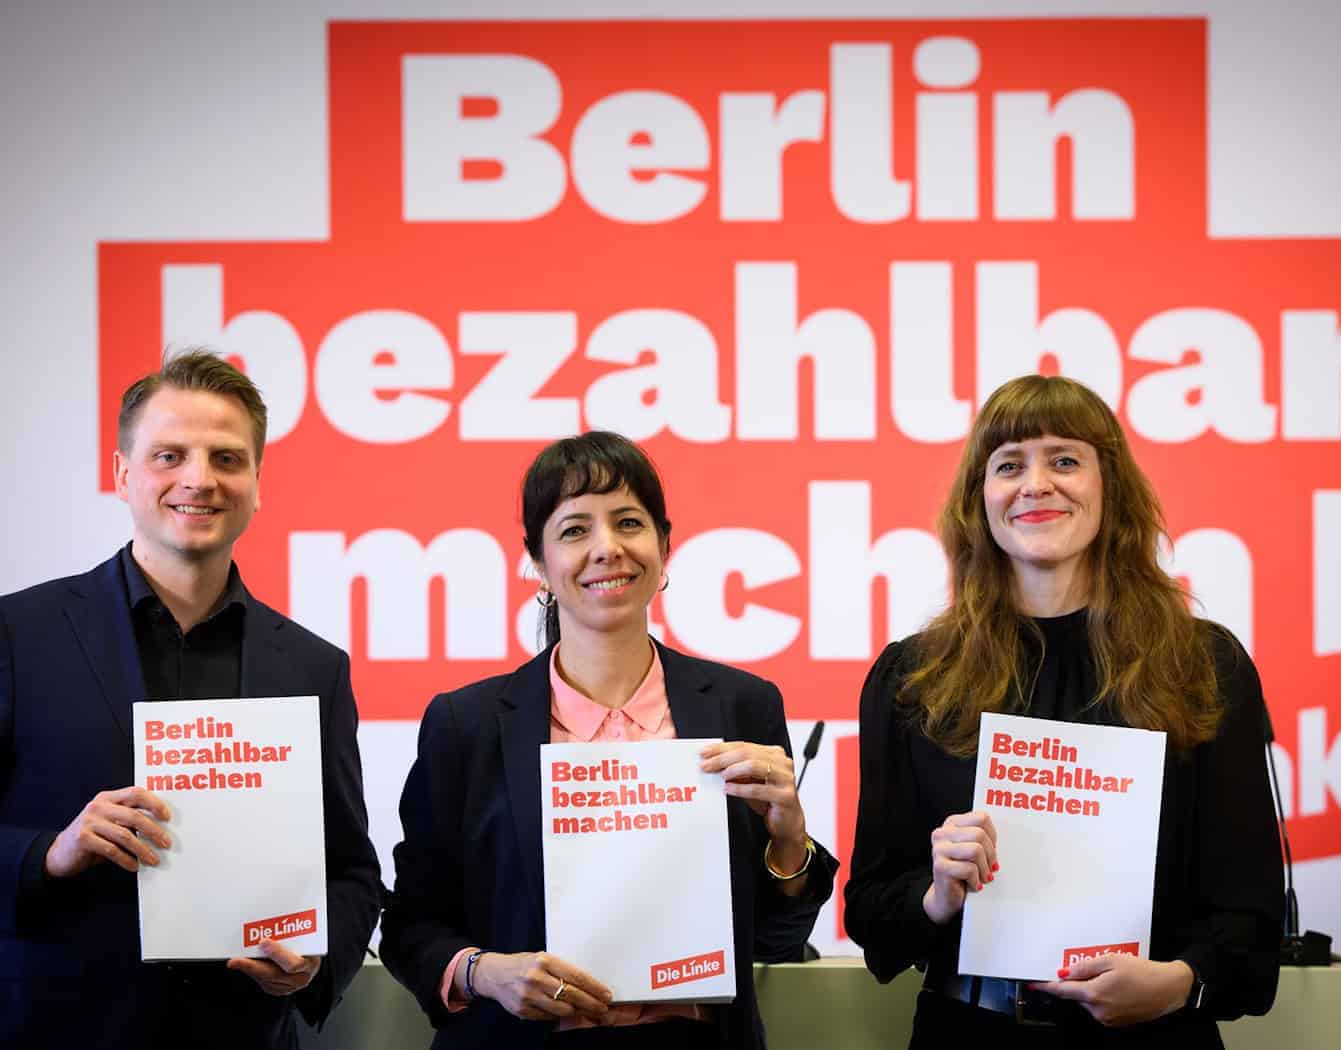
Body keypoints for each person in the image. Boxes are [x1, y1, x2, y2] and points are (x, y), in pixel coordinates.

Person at [844, 375, 1282, 1048]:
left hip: (1157, 1034)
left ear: (1111, 488)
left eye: (1066, 460)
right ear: (978, 499)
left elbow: (1250, 912)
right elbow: (870, 912)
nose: (1036, 484)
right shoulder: (914, 678)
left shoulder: (1202, 664)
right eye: (1009, 465)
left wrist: (1181, 981)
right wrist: (937, 895)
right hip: (969, 1031)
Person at [379, 431, 836, 1049]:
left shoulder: (742, 705)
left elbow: (774, 943)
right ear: (538, 563)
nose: (607, 549)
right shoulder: (467, 725)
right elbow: (411, 925)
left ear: (664, 545)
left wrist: (788, 840)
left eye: (628, 522)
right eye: (574, 530)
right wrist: (486, 972)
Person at [0, 349, 381, 1049]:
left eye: (227, 459)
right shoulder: (17, 636)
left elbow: (353, 872)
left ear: (258, 483)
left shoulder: (313, 666)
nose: (199, 480)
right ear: (121, 474)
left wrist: (312, 964)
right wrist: (49, 853)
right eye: (169, 455)